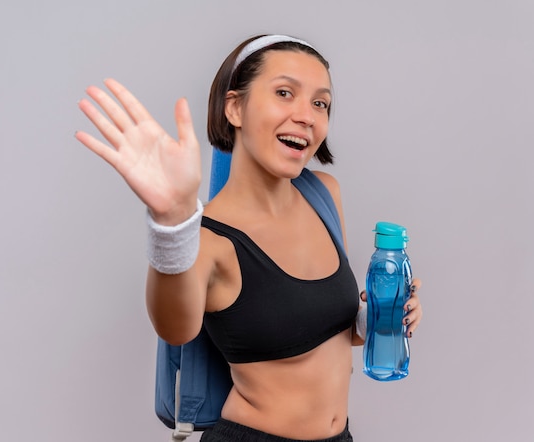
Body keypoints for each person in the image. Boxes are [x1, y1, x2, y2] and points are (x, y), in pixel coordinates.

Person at [75, 34, 423, 442]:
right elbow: (174, 327)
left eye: (320, 102)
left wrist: (378, 318)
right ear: (235, 107)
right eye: (284, 93)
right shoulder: (207, 239)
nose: (307, 116)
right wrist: (170, 222)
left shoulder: (323, 195)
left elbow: (322, 329)